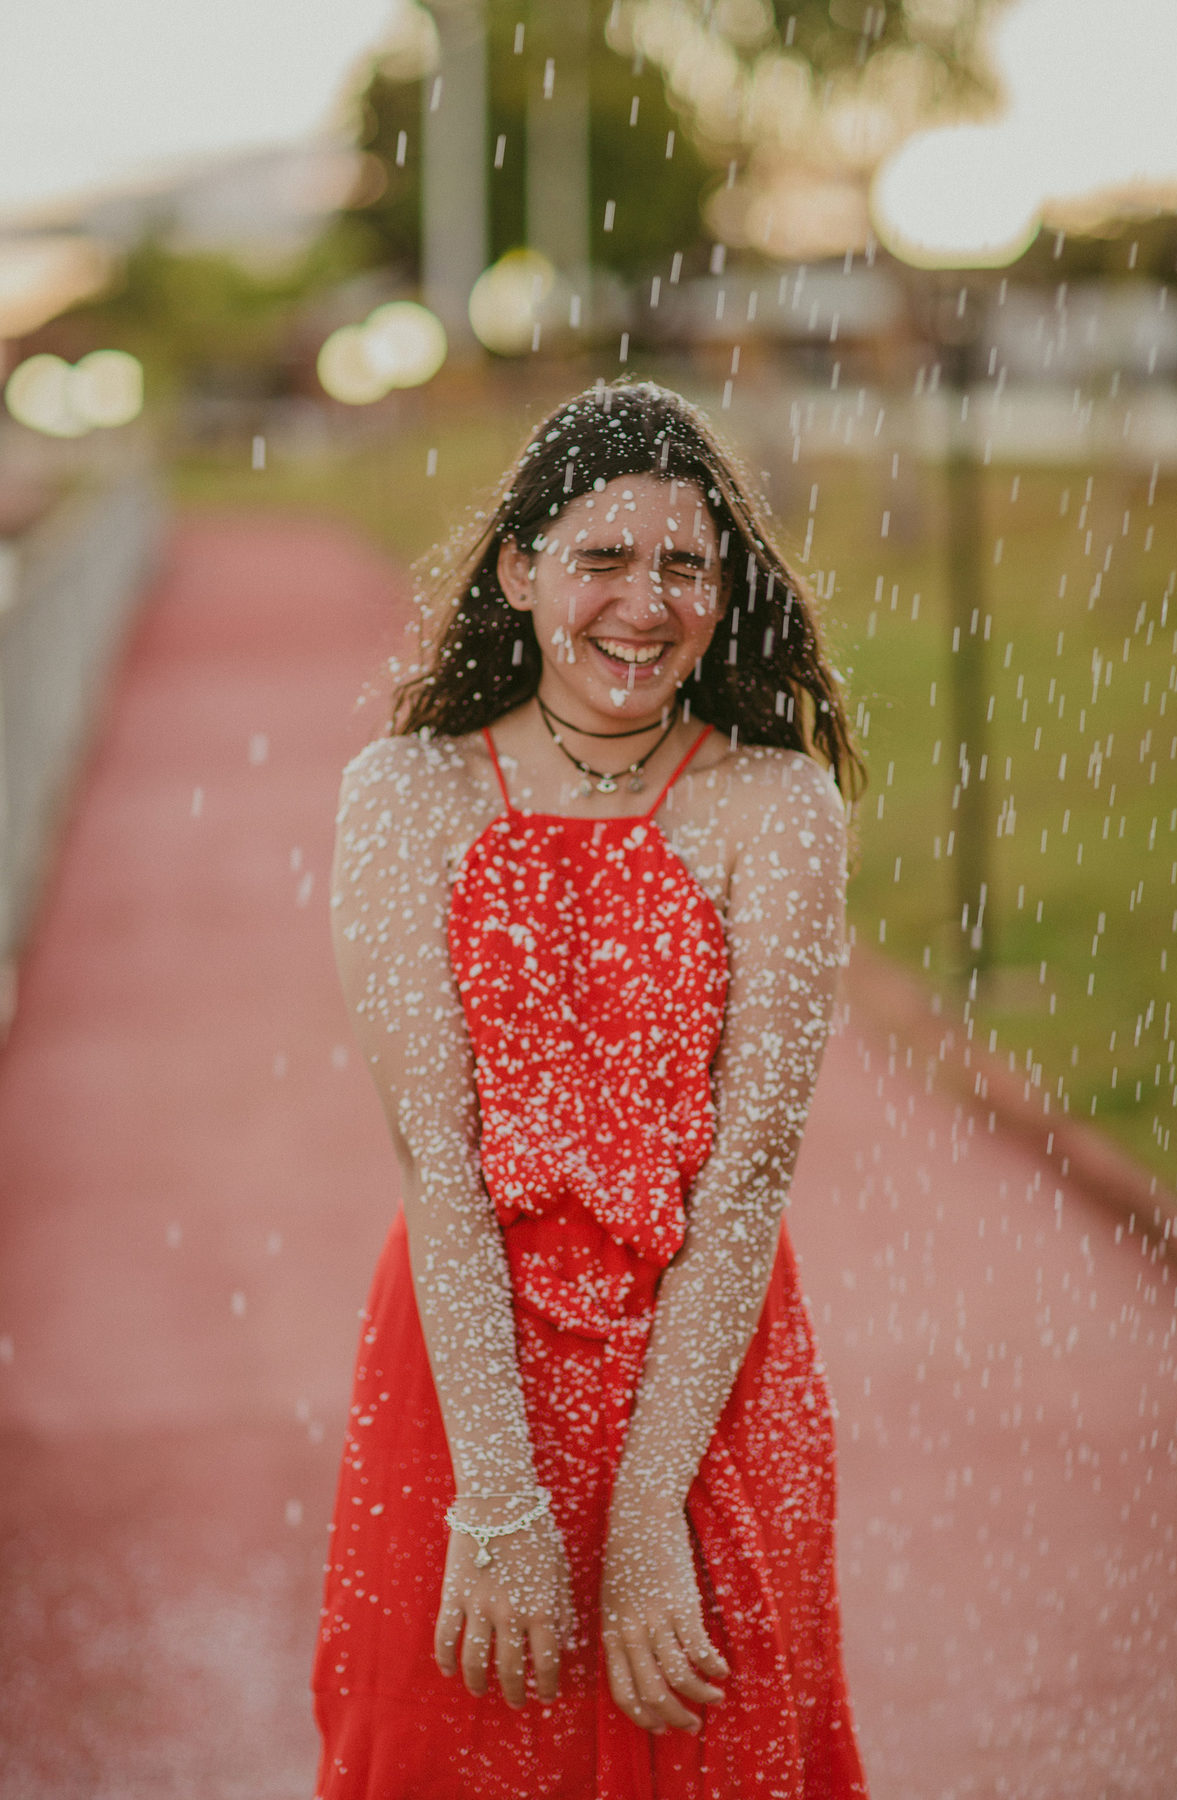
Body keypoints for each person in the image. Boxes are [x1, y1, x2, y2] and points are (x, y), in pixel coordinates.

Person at [311, 379, 869, 1800]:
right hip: (465, 1368)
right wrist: (497, 1495)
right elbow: (439, 1164)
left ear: (724, 586)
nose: (646, 600)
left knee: (714, 1750)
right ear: (519, 568)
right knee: (434, 1745)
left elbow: (746, 1177)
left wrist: (642, 1517)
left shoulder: (777, 805)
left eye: (685, 563)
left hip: (710, 1377)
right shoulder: (404, 795)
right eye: (603, 558)